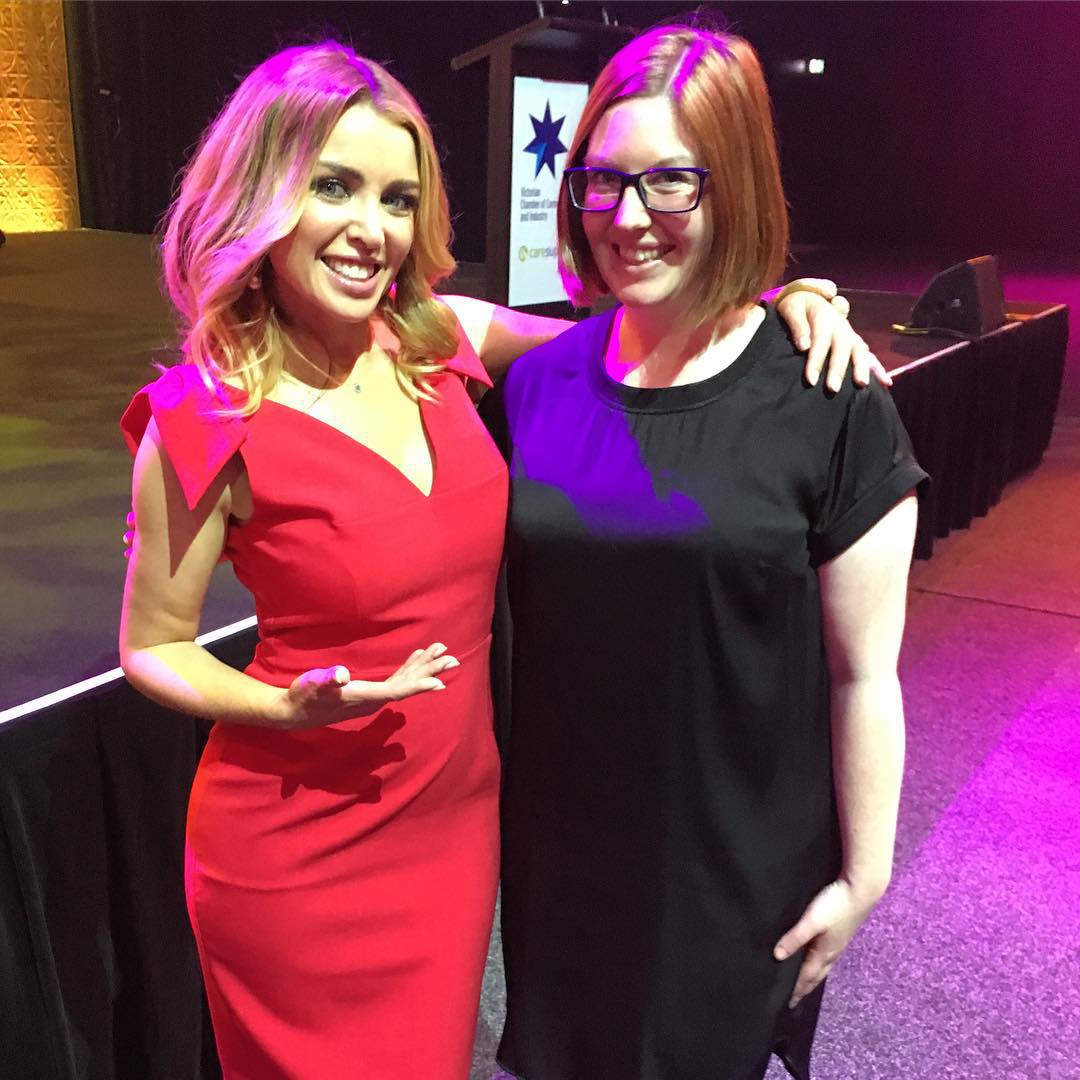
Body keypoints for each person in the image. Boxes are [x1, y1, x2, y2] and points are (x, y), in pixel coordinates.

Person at [118, 38, 883, 1080]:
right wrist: (280, 704)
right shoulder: (202, 417)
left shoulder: (436, 340)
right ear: (261, 195)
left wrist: (784, 306)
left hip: (453, 831)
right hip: (294, 846)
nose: (371, 229)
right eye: (333, 187)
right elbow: (154, 647)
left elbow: (644, 341)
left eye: (397, 198)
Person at [485, 21, 928, 1080]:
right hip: (563, 862)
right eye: (602, 181)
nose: (628, 217)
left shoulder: (828, 398)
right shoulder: (538, 385)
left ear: (737, 185)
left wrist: (865, 877)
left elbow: (864, 674)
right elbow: (425, 319)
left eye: (670, 182)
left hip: (734, 869)